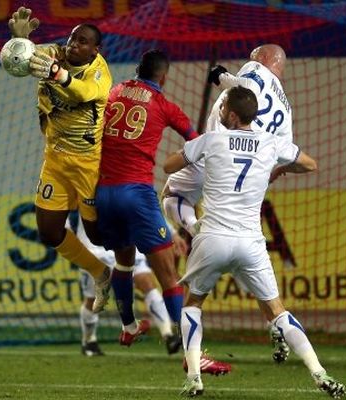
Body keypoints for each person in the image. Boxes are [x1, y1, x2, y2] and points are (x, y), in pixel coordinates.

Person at [164, 86, 346, 398]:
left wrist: (198, 157)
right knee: (277, 311)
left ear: (232, 115)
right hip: (250, 242)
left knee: (193, 304)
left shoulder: (211, 140)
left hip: (213, 238)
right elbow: (310, 164)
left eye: (223, 109)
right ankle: (320, 373)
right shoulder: (271, 142)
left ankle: (194, 378)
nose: (220, 113)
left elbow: (169, 167)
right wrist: (279, 166)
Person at [94, 49, 231, 375]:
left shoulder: (113, 92)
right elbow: (198, 142)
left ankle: (128, 325)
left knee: (123, 262)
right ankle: (193, 356)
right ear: (165, 77)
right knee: (169, 276)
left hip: (103, 194)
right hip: (137, 194)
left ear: (137, 70)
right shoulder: (163, 105)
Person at [162, 43, 292, 363]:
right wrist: (267, 175)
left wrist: (220, 76)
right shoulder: (286, 109)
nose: (249, 59)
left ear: (263, 59)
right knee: (252, 265)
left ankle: (195, 227)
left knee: (171, 195)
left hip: (217, 156)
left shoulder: (255, 71)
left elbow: (243, 87)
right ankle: (276, 323)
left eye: (253, 55)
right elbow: (284, 156)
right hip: (248, 180)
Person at [7, 7, 113, 312]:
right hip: (55, 158)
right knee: (49, 231)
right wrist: (20, 41)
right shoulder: (57, 53)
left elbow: (80, 93)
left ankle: (129, 260)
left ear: (95, 49)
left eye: (82, 42)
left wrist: (56, 73)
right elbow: (24, 59)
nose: (73, 45)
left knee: (96, 234)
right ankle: (100, 273)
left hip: (88, 162)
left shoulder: (99, 73)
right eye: (72, 38)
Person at [69, 213, 188, 356]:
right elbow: (66, 211)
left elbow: (147, 207)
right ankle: (89, 341)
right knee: (93, 299)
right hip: (95, 250)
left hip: (128, 245)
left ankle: (168, 335)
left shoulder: (130, 190)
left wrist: (173, 233)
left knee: (147, 283)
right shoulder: (84, 191)